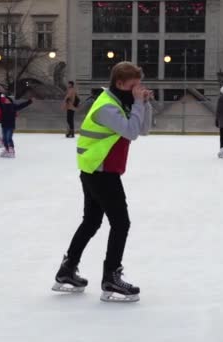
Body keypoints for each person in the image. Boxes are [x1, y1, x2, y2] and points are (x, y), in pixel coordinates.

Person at [52, 62, 153, 303]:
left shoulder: (119, 102)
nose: (137, 90)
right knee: (121, 223)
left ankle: (67, 271)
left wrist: (145, 103)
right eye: (133, 86)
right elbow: (131, 132)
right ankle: (111, 277)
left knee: (92, 222)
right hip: (100, 171)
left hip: (97, 169)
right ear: (119, 84)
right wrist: (138, 104)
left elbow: (143, 129)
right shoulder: (106, 107)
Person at [0, 93, 33, 158]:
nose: (5, 100)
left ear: (10, 100)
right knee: (4, 139)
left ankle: (12, 151)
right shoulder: (3, 106)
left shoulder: (13, 106)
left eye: (7, 99)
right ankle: (7, 150)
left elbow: (22, 105)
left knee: (9, 138)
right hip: (4, 125)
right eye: (5, 100)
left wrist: (29, 101)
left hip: (10, 126)